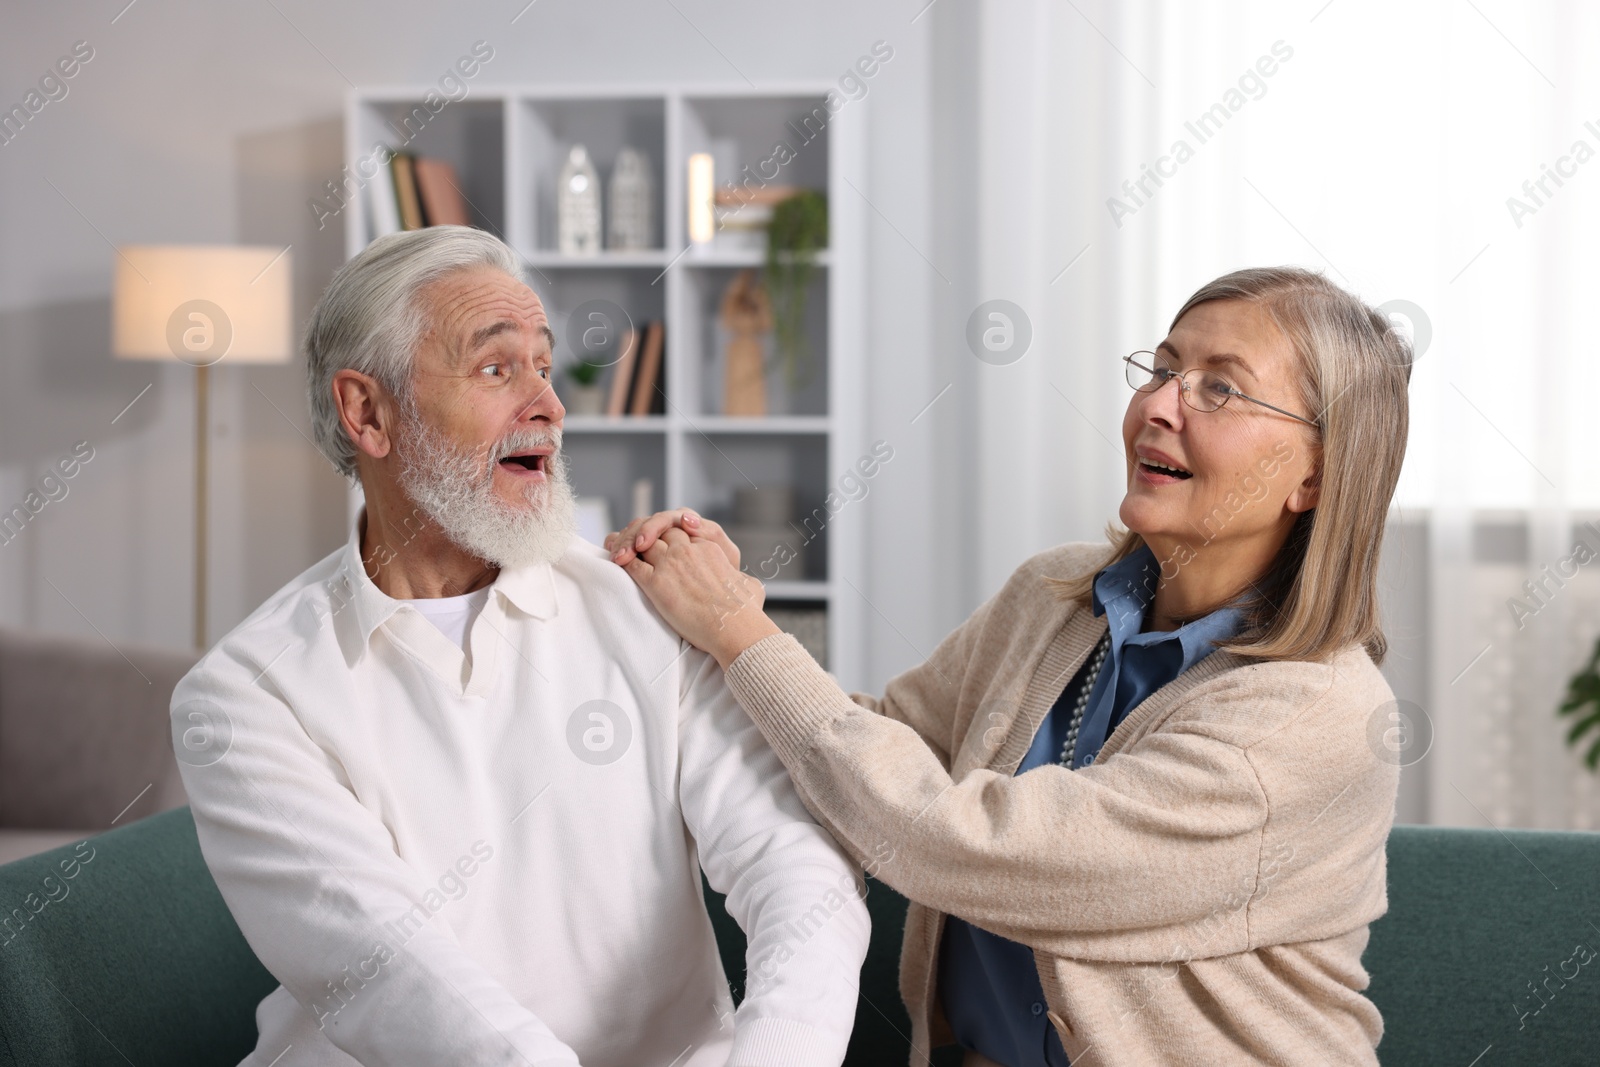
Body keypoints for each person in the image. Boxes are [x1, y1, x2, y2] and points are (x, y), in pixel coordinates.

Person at [606, 266, 1412, 1066]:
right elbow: (881, 740)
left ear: (1314, 473)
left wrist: (736, 628)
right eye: (1164, 370)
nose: (1159, 406)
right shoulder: (1053, 596)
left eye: (1220, 390)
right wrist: (690, 621)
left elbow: (961, 842)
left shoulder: (1315, 720)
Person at [171, 226, 869, 1067]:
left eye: (544, 364)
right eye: (497, 368)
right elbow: (391, 972)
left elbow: (797, 871)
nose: (549, 403)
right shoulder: (247, 694)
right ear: (368, 411)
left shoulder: (649, 604)